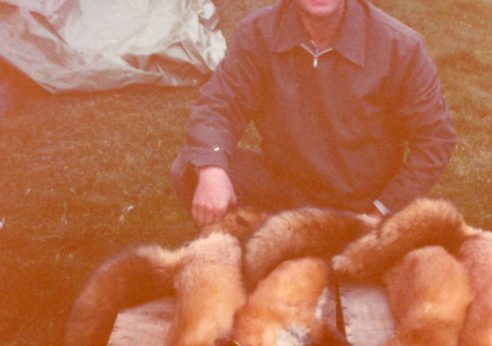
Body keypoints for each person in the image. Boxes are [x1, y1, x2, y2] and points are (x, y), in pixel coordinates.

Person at [170, 0, 458, 229]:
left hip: (363, 202)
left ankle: (303, 244)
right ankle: (267, 244)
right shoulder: (256, 33)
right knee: (193, 167)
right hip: (285, 189)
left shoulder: (400, 46)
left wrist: (381, 212)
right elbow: (218, 104)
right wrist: (212, 171)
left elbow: (436, 140)